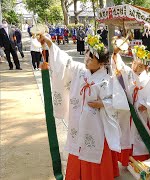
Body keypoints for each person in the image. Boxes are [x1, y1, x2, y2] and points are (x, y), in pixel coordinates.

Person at [37, 33, 128, 179]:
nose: (87, 59)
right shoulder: (79, 70)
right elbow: (64, 62)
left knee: (95, 148)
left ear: (101, 64)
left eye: (91, 58)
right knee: (77, 145)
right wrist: (49, 43)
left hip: (97, 124)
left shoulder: (107, 79)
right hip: (78, 121)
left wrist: (103, 103)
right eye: (87, 55)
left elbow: (119, 100)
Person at [111, 41, 150, 166]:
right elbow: (118, 66)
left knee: (140, 137)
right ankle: (127, 159)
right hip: (129, 112)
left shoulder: (149, 80)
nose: (136, 68)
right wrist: (116, 53)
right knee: (126, 135)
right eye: (135, 64)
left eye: (141, 66)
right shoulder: (127, 73)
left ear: (146, 68)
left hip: (141, 114)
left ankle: (141, 159)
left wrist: (147, 106)